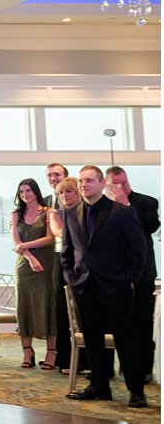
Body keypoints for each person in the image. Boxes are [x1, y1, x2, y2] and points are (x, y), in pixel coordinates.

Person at [63, 165, 149, 408]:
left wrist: (129, 279)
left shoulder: (121, 213)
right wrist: (71, 277)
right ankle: (99, 386)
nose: (84, 185)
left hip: (116, 287)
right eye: (81, 181)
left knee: (126, 339)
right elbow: (68, 252)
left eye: (89, 180)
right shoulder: (70, 213)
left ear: (102, 184)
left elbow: (138, 251)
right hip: (84, 287)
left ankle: (136, 390)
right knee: (92, 339)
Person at [106, 165, 159, 378]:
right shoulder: (103, 206)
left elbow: (150, 226)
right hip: (114, 274)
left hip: (142, 272)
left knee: (142, 322)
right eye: (116, 185)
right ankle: (119, 367)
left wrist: (126, 205)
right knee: (117, 321)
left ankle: (144, 369)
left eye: (124, 184)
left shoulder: (146, 202)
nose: (121, 188)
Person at [10, 178, 58, 369]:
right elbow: (15, 243)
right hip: (24, 266)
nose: (25, 195)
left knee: (48, 305)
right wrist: (30, 257)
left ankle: (51, 351)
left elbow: (50, 238)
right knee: (24, 305)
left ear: (36, 192)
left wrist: (25, 246)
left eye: (28, 190)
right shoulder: (16, 214)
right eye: (21, 192)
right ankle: (27, 351)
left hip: (46, 265)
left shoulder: (48, 212)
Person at [44, 163, 78, 374]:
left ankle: (84, 360)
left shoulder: (81, 205)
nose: (53, 178)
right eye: (49, 175)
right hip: (58, 258)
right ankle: (63, 357)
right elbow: (53, 232)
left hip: (81, 259)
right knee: (60, 308)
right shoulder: (46, 204)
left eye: (56, 174)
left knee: (82, 309)